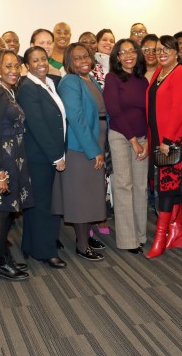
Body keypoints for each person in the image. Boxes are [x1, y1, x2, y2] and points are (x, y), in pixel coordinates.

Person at [0, 49, 33, 280]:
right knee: (1, 214)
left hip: (14, 159)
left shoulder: (7, 92)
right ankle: (0, 263)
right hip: (2, 161)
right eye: (8, 66)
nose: (14, 71)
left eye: (16, 66)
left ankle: (5, 258)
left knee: (8, 213)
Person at [56, 42, 108, 261]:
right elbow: (76, 119)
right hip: (81, 147)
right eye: (77, 58)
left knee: (91, 194)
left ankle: (85, 236)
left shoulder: (90, 79)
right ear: (69, 62)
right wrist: (93, 150)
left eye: (86, 56)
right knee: (80, 197)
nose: (83, 61)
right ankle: (81, 244)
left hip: (96, 141)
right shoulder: (70, 81)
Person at [17, 46, 67, 268]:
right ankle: (45, 251)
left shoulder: (48, 83)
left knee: (37, 203)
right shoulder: (28, 87)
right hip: (41, 156)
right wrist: (56, 156)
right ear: (27, 66)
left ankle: (30, 245)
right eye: (35, 60)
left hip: (47, 154)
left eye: (43, 59)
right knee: (44, 205)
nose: (41, 63)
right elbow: (38, 125)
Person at [144, 35, 182, 259]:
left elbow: (178, 109)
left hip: (172, 141)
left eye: (166, 49)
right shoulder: (158, 72)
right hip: (158, 139)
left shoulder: (181, 73)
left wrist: (167, 140)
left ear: (176, 52)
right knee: (167, 189)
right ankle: (177, 234)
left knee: (167, 190)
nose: (160, 52)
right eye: (157, 49)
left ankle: (161, 237)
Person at [104, 39, 149, 254]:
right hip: (121, 137)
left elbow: (150, 113)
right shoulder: (112, 78)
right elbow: (115, 111)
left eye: (132, 51)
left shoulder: (143, 80)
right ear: (117, 57)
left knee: (140, 187)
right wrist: (133, 140)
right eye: (123, 52)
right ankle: (128, 240)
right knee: (124, 186)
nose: (128, 55)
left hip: (142, 139)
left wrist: (147, 140)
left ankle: (141, 235)